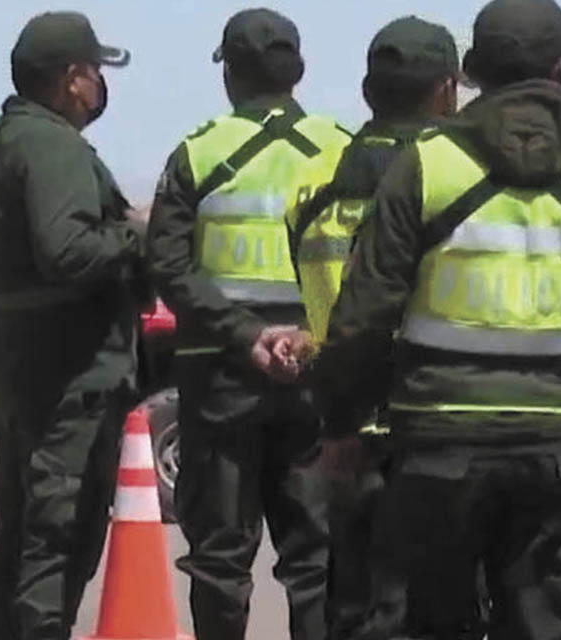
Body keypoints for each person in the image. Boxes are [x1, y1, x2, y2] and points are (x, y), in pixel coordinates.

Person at [311, 0, 561, 637]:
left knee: (432, 619)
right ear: (559, 71)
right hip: (559, 449)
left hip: (439, 444)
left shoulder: (428, 166)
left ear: (470, 73)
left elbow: (365, 312)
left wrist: (341, 422)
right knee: (546, 619)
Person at [145, 8, 353, 639]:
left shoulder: (197, 151)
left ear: (229, 75)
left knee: (219, 560)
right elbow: (375, 268)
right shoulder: (343, 149)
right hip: (317, 376)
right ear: (299, 71)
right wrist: (312, 337)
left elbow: (167, 263)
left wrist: (243, 335)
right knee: (316, 560)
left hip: (221, 378)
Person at [274, 17, 482, 640]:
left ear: (368, 91)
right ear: (447, 89)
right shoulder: (462, 178)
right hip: (437, 419)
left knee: (356, 600)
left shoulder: (314, 186)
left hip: (346, 423)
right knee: (445, 606)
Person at [0, 12, 141, 640]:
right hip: (68, 376)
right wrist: (134, 240)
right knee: (57, 538)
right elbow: (66, 251)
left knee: (20, 529)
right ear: (71, 80)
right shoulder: (53, 144)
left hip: (18, 365)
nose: (97, 87)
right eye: (93, 73)